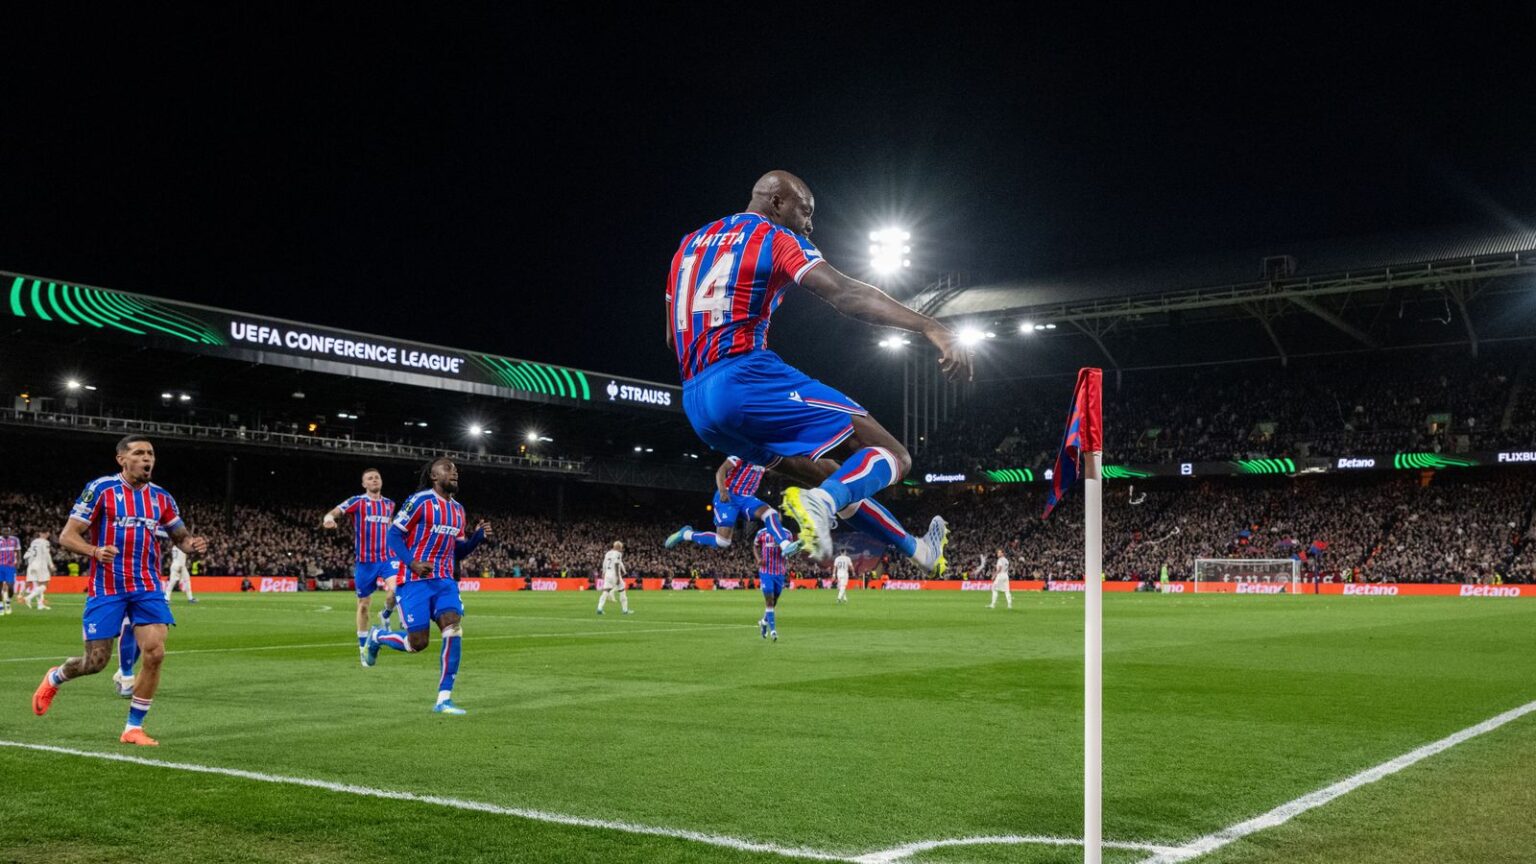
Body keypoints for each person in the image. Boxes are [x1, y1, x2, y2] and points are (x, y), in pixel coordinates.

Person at [666, 170, 970, 571]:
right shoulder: (774, 238)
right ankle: (822, 503)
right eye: (805, 211)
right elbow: (846, 294)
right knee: (893, 455)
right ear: (776, 202)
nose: (810, 223)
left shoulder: (687, 247)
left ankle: (918, 549)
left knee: (830, 475)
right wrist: (932, 326)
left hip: (698, 403)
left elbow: (673, 339)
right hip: (745, 377)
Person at [32, 434, 208, 746]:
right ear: (121, 459)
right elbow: (67, 536)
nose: (147, 459)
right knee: (95, 662)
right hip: (107, 586)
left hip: (147, 585)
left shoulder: (162, 498)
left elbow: (180, 536)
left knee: (155, 653)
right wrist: (94, 551)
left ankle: (132, 728)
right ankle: (55, 677)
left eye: (150, 454)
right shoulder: (101, 489)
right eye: (139, 453)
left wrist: (192, 545)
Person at [364, 457, 489, 714]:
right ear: (434, 476)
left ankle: (444, 698)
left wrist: (476, 538)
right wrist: (411, 563)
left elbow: (457, 551)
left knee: (453, 626)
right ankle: (377, 636)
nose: (455, 473)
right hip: (414, 581)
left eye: (456, 470)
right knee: (417, 643)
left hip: (444, 580)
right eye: (448, 469)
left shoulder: (458, 510)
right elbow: (394, 534)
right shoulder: (420, 501)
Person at [323, 468, 399, 665]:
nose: (374, 480)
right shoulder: (357, 501)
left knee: (396, 591)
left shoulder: (390, 505)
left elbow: (390, 528)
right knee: (363, 605)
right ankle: (363, 648)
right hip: (365, 562)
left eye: (377, 477)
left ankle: (385, 614)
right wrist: (329, 518)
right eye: (369, 478)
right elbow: (336, 511)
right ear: (364, 484)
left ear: (381, 481)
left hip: (387, 558)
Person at [665, 456, 801, 556]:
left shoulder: (765, 456)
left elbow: (772, 471)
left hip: (747, 498)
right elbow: (721, 471)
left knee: (770, 513)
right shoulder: (742, 452)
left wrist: (792, 470)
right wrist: (723, 490)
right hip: (729, 496)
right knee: (723, 542)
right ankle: (686, 534)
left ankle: (785, 545)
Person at [753, 526, 789, 641]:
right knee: (769, 600)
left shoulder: (787, 533)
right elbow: (755, 546)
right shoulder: (761, 533)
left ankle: (764, 622)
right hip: (766, 572)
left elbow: (792, 550)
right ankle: (773, 631)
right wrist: (758, 559)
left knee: (774, 601)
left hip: (780, 572)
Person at [597, 541, 631, 615]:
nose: (621, 549)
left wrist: (603, 572)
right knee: (622, 590)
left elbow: (604, 563)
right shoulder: (618, 554)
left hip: (607, 574)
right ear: (618, 547)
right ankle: (625, 610)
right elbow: (616, 563)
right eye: (621, 547)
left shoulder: (608, 553)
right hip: (614, 574)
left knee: (605, 591)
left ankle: (599, 608)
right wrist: (618, 577)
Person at [22, 531, 54, 610]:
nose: (47, 535)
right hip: (41, 565)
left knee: (38, 586)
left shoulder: (34, 542)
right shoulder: (45, 542)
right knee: (44, 585)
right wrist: (51, 565)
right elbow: (47, 554)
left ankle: (40, 605)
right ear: (41, 533)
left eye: (47, 533)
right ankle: (28, 598)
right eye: (46, 533)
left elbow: (25, 556)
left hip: (32, 565)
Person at [0, 532, 18, 615]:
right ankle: (1, 606)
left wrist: (19, 561)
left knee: (10, 587)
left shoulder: (14, 540)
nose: (6, 532)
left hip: (10, 567)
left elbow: (18, 551)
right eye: (4, 530)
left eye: (7, 531)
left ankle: (8, 601)